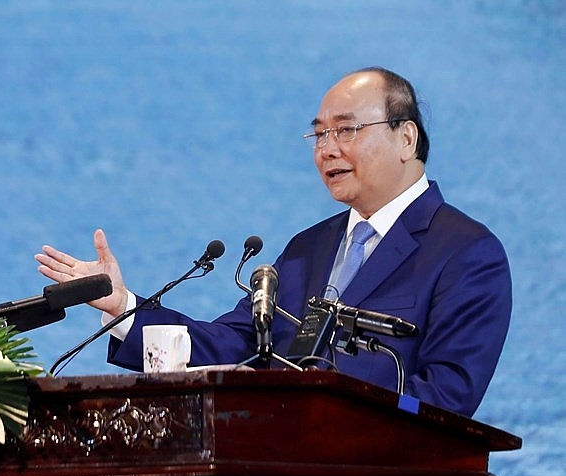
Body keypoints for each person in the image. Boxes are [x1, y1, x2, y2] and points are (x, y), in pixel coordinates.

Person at [35, 67, 512, 421]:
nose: (326, 148)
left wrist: (313, 403)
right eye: (319, 134)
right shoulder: (310, 247)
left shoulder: (466, 253)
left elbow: (446, 399)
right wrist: (123, 308)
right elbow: (234, 344)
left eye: (346, 130)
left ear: (406, 138)